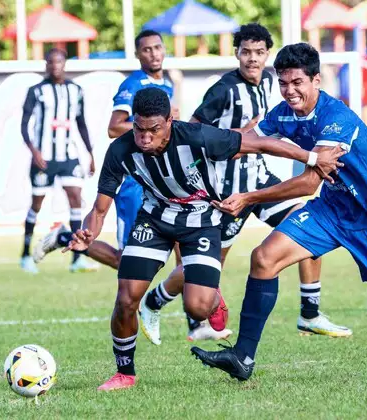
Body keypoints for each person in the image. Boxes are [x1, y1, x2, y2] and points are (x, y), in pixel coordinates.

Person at [32, 87, 345, 390]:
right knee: (126, 298)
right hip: (154, 220)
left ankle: (209, 295)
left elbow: (260, 144)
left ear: (170, 122)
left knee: (198, 309)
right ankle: (124, 373)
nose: (145, 138)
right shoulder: (121, 150)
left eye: (153, 130)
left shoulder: (198, 137)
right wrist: (90, 231)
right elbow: (99, 209)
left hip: (201, 221)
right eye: (139, 129)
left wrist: (312, 159)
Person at [191, 43, 367, 380]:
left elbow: (309, 183)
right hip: (331, 211)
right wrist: (194, 140)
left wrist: (248, 197)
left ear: (316, 81)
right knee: (264, 258)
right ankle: (242, 358)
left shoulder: (336, 120)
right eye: (283, 83)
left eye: (297, 82)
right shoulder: (282, 113)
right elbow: (244, 142)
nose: (290, 91)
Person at [138, 23, 352, 345]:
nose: (252, 58)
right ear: (236, 54)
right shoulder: (224, 90)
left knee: (307, 226)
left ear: (267, 55)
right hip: (226, 191)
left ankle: (309, 313)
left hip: (259, 181)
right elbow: (190, 132)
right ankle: (154, 301)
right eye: (246, 52)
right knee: (205, 268)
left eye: (259, 52)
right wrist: (241, 135)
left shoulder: (270, 82)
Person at [79, 30, 176, 270]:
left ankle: (176, 291)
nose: (154, 53)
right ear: (137, 54)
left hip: (161, 179)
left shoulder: (167, 84)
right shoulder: (133, 85)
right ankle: (66, 237)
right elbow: (114, 128)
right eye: (147, 49)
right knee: (127, 258)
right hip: (135, 181)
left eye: (157, 47)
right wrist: (153, 130)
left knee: (180, 242)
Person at [19, 48, 96, 274]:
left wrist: (90, 154)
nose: (55, 66)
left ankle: (77, 258)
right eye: (51, 62)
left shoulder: (76, 90)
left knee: (76, 198)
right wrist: (34, 151)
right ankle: (25, 255)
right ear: (46, 65)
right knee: (37, 204)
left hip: (68, 156)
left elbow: (81, 123)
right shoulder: (36, 91)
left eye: (59, 61)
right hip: (44, 158)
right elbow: (24, 125)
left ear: (65, 64)